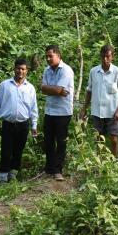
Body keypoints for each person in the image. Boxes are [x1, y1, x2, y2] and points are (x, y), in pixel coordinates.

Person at [0, 58, 38, 183]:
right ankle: (3, 178)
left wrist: (34, 125)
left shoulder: (30, 88)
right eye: (18, 68)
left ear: (27, 71)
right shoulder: (5, 85)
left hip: (23, 125)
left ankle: (13, 175)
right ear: (14, 69)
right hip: (8, 124)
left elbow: (33, 108)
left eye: (23, 69)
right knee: (6, 151)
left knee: (18, 151)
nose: (20, 71)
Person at [82, 44, 118, 156]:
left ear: (112, 57)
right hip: (97, 112)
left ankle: (114, 163)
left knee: (114, 139)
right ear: (100, 56)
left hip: (112, 112)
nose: (105, 59)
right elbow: (89, 91)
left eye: (108, 56)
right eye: (103, 56)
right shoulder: (94, 71)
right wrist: (84, 108)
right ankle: (100, 164)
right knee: (98, 140)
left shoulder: (117, 72)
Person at [39, 45, 74, 180]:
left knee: (61, 141)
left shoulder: (66, 70)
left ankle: (58, 170)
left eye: (50, 56)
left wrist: (52, 89)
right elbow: (45, 89)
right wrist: (55, 90)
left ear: (58, 56)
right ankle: (50, 168)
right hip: (49, 110)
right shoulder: (47, 70)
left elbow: (58, 89)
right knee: (48, 141)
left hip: (63, 112)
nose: (48, 59)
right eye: (46, 56)